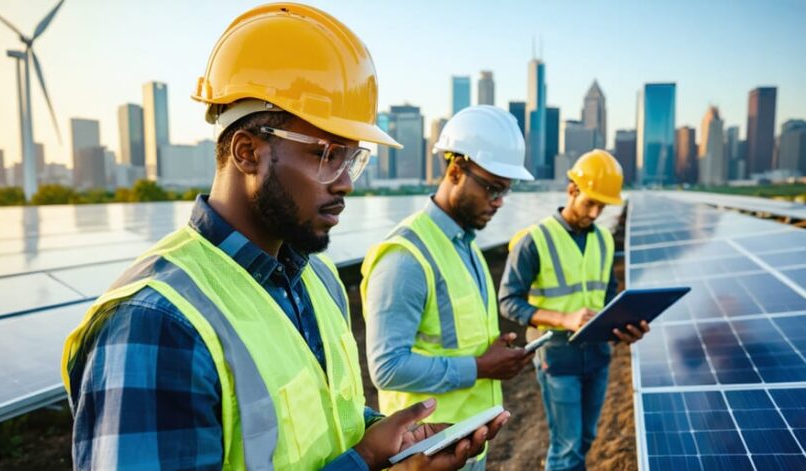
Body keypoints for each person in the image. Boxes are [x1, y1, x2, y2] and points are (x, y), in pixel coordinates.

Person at [60, 4, 508, 470]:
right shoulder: (156, 325)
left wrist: (387, 440)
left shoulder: (318, 278)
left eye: (354, 159)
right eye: (328, 154)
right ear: (248, 152)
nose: (346, 182)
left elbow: (326, 427)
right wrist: (363, 464)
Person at [361, 106, 535, 470]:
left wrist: (494, 353)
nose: (500, 201)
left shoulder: (467, 246)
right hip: (424, 454)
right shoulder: (405, 256)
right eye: (492, 188)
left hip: (468, 443)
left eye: (506, 190)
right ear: (455, 170)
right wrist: (481, 367)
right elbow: (387, 367)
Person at [498, 149, 649, 471]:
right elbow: (509, 300)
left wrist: (625, 327)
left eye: (602, 205)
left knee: (585, 439)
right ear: (572, 190)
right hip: (557, 357)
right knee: (567, 449)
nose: (595, 212)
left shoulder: (605, 241)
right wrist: (563, 319)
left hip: (598, 356)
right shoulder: (534, 240)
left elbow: (608, 297)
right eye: (590, 202)